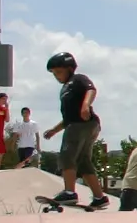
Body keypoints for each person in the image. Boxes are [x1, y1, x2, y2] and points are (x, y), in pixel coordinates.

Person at [41, 52, 111, 210]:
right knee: (83, 161)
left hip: (82, 123)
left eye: (59, 72)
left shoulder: (78, 79)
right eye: (54, 74)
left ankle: (69, 192)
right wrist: (54, 130)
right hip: (82, 124)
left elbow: (91, 89)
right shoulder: (64, 90)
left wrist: (86, 105)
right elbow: (68, 118)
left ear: (70, 68)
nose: (57, 76)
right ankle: (99, 197)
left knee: (67, 155)